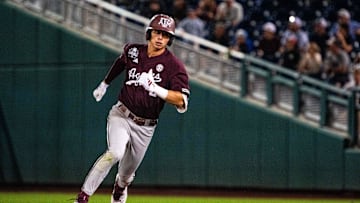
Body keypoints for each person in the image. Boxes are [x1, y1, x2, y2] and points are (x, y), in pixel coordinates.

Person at [74, 14, 190, 203]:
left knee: (126, 175)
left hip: (145, 126)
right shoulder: (134, 51)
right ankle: (83, 197)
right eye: (157, 33)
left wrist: (156, 88)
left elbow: (181, 100)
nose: (160, 38)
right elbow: (121, 62)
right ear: (149, 33)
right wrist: (105, 83)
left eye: (165, 35)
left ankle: (119, 189)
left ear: (170, 39)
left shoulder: (174, 66)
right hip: (121, 113)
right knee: (115, 152)